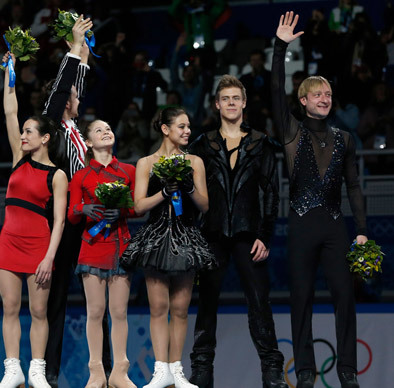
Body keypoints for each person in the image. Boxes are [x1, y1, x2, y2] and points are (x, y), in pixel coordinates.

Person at [272, 12, 368, 388]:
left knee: (345, 296)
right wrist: (280, 48)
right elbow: (275, 89)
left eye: (328, 94)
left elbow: (355, 187)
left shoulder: (345, 139)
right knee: (302, 300)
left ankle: (347, 372)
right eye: (318, 94)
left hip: (334, 226)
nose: (325, 99)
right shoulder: (291, 132)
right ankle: (307, 372)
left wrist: (360, 231)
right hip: (300, 225)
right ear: (303, 99)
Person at [187, 75, 286, 388]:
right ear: (217, 105)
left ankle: (272, 372)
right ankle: (202, 372)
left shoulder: (261, 142)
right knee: (206, 303)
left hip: (249, 234)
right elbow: (190, 192)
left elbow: (271, 192)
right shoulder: (201, 144)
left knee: (259, 302)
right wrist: (193, 236)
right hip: (211, 235)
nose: (231, 103)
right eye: (225, 98)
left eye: (236, 98)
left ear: (244, 103)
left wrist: (265, 235)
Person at [120, 107, 215, 388]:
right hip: (157, 236)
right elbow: (137, 206)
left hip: (186, 236)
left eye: (189, 126)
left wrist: (186, 187)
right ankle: (160, 371)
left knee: (181, 308)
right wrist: (163, 192)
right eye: (181, 126)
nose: (187, 131)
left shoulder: (195, 162)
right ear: (165, 129)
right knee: (159, 307)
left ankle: (177, 370)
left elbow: (204, 205)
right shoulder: (146, 162)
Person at [41, 16, 110, 388]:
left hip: (90, 222)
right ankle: (49, 372)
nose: (79, 97)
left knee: (99, 301)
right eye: (73, 95)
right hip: (66, 222)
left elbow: (74, 85)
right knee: (58, 300)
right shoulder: (53, 126)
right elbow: (65, 88)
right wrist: (73, 47)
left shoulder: (76, 131)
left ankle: (108, 370)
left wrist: (82, 48)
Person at [0, 52, 68, 388]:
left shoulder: (57, 175)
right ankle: (14, 369)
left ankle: (36, 369)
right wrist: (10, 76)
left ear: (45, 138)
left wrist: (49, 257)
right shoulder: (16, 159)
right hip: (8, 244)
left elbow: (61, 221)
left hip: (40, 247)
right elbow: (10, 110)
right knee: (10, 309)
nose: (23, 136)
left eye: (29, 132)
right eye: (22, 132)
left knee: (39, 313)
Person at [67, 119, 137, 388]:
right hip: (93, 246)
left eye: (109, 128)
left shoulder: (128, 170)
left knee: (119, 311)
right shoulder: (81, 176)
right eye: (99, 130)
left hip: (120, 245)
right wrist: (83, 210)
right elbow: (71, 214)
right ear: (88, 142)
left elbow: (137, 208)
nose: (106, 132)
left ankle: (120, 371)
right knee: (95, 311)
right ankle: (96, 371)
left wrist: (122, 210)